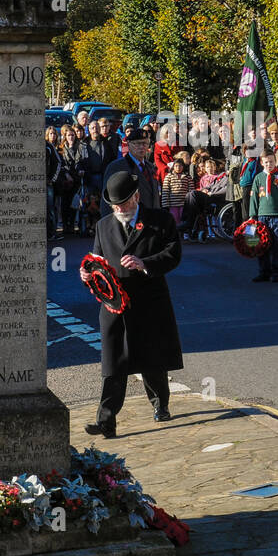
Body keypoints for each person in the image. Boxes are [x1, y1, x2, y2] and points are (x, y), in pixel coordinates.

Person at [81, 171, 183, 438]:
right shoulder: (104, 226)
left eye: (124, 203)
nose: (120, 209)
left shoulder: (159, 221)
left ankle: (160, 404)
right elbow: (95, 260)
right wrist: (87, 274)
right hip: (115, 305)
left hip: (149, 300)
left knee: (152, 357)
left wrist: (145, 263)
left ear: (137, 197)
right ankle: (106, 420)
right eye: (115, 205)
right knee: (113, 363)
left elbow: (173, 253)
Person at [246, 150, 278, 283]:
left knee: (277, 245)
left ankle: (277, 272)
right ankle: (264, 272)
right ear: (262, 163)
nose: (269, 164)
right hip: (262, 216)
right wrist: (252, 215)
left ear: (275, 161)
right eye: (266, 162)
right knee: (262, 245)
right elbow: (253, 198)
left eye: (271, 161)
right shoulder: (258, 178)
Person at [103, 125, 162, 211]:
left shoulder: (151, 167)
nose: (142, 147)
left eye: (145, 143)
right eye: (137, 143)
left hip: (151, 220)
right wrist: (112, 223)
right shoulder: (117, 167)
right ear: (129, 144)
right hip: (128, 219)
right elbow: (107, 201)